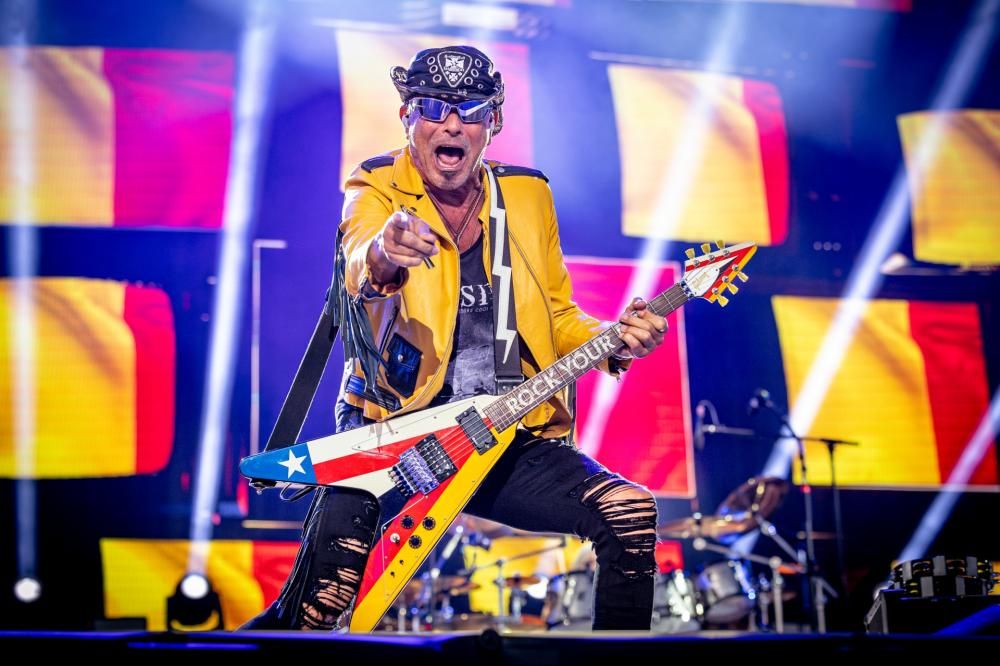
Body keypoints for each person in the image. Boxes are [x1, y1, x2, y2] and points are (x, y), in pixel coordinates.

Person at [243, 45, 668, 632]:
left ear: (493, 121)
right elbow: (359, 266)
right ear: (407, 117)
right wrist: (386, 253)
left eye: (469, 109)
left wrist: (614, 337)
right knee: (320, 608)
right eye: (432, 107)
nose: (450, 124)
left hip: (502, 433)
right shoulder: (377, 183)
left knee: (629, 511)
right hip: (395, 433)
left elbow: (556, 315)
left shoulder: (527, 196)